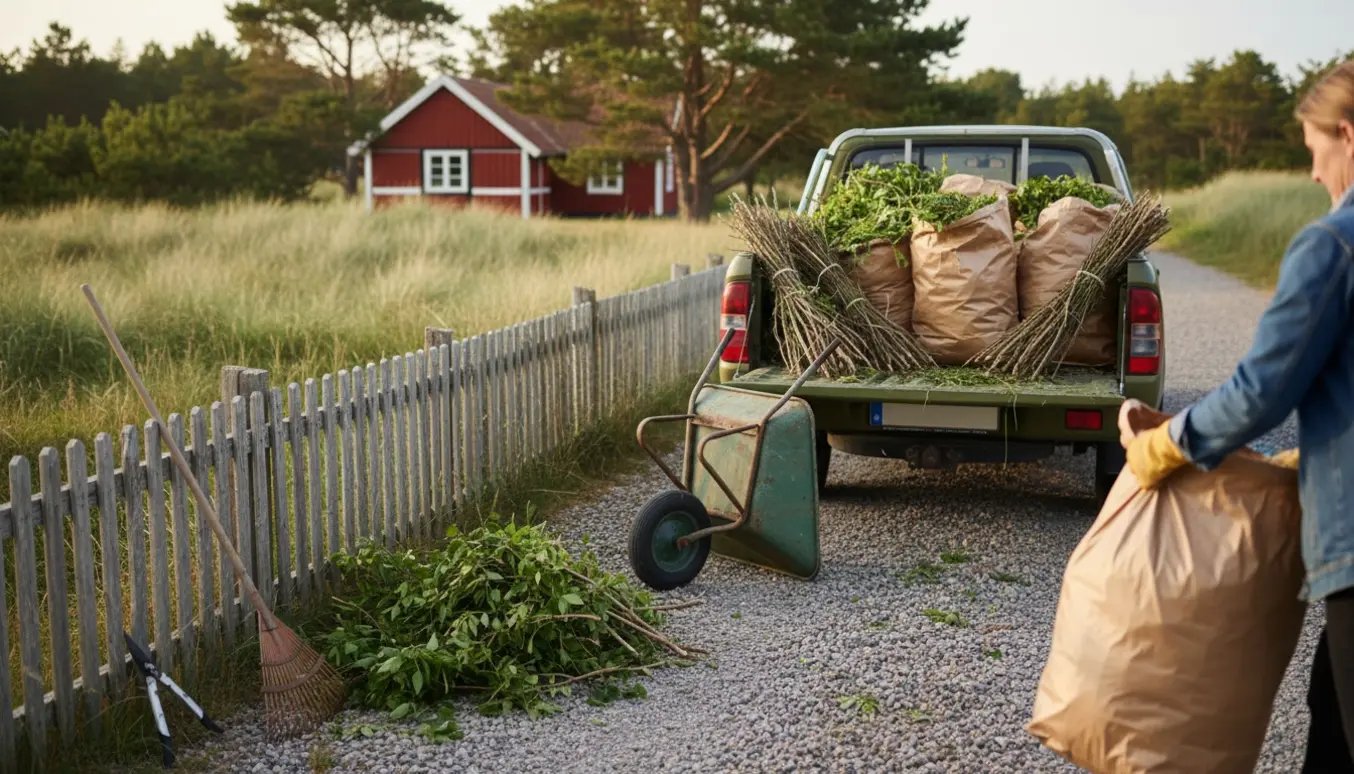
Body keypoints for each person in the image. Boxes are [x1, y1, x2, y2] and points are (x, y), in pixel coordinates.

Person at [1116, 58, 1354, 770]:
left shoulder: (1333, 244)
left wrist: (1168, 443)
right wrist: (1313, 460)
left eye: (1314, 149)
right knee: (1331, 725)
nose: (1313, 174)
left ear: (1348, 134)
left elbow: (1261, 390)